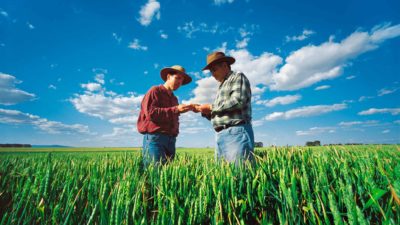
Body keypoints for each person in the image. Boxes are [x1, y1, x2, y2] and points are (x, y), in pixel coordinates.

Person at [195, 52, 254, 164]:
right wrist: (206, 112)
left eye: (214, 70)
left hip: (235, 132)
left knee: (239, 173)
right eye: (211, 71)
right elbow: (223, 112)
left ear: (225, 65)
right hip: (221, 134)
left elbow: (238, 101)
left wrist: (211, 107)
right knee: (224, 175)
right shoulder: (222, 85)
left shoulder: (237, 77)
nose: (212, 74)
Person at [137, 65, 194, 166]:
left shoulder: (174, 98)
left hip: (171, 140)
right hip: (156, 138)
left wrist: (181, 110)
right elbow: (151, 113)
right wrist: (176, 109)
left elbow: (171, 114)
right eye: (177, 78)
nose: (179, 83)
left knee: (167, 175)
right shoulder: (155, 91)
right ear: (168, 77)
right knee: (155, 174)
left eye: (182, 81)